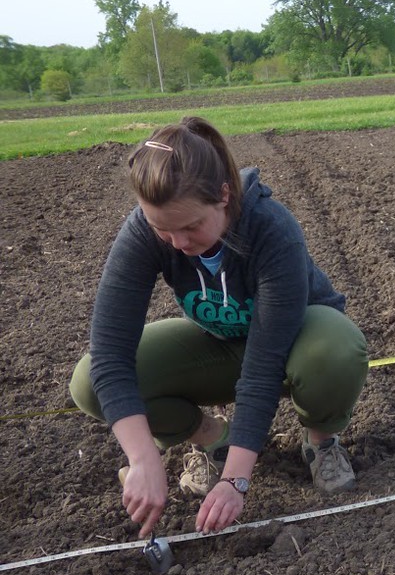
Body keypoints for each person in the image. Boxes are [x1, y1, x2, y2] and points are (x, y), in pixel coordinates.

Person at [70, 117, 369, 538]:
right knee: (87, 382)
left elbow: (264, 367)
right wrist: (142, 459)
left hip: (296, 346)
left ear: (224, 197)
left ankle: (320, 442)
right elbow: (110, 353)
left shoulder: (271, 229)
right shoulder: (143, 233)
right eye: (162, 229)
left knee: (337, 348)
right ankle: (212, 437)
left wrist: (235, 481)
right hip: (220, 342)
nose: (178, 243)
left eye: (191, 226)